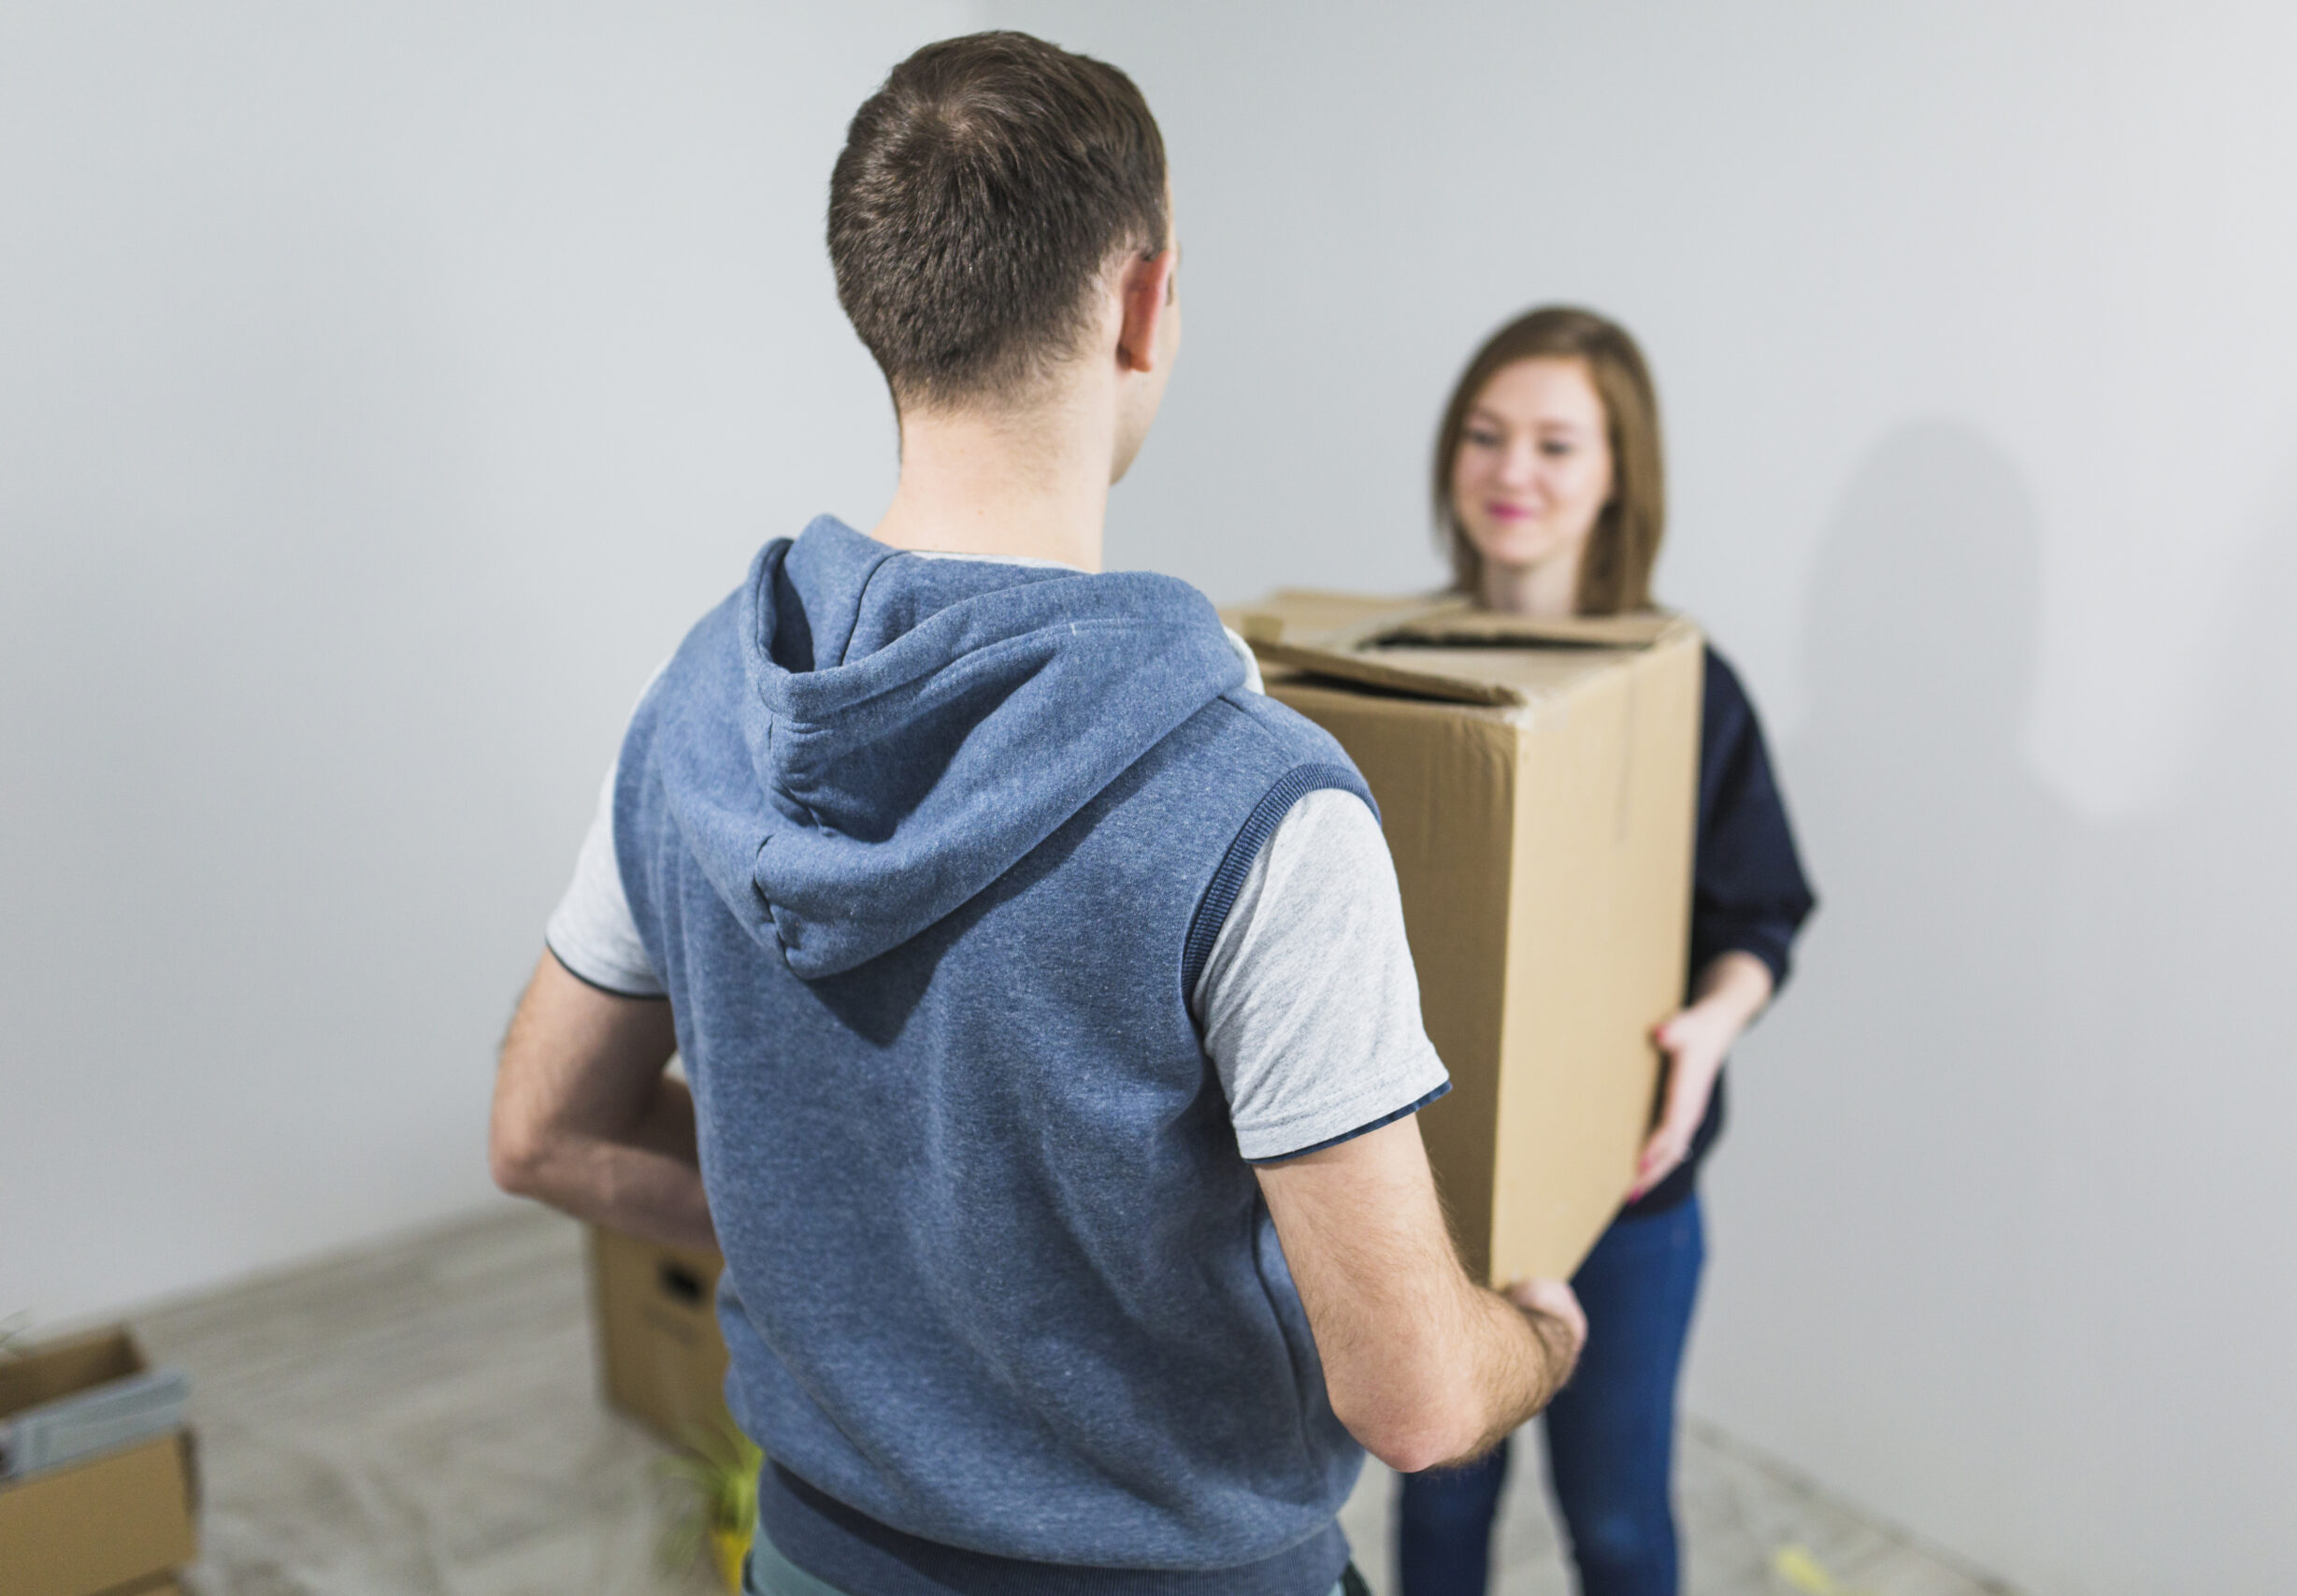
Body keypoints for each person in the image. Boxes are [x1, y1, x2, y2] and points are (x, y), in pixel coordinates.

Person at [487, 35, 1589, 1596]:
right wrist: (1534, 1335)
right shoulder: (1256, 809)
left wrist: (854, 1268)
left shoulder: (694, 713)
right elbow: (1412, 1396)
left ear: (884, 312)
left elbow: (543, 1132)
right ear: (1145, 302)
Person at [1395, 309, 1816, 1596]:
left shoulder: (1690, 688)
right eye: (1485, 435)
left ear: (1618, 472)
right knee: (1440, 1512)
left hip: (1630, 1191)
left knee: (1619, 1522)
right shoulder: (1392, 677)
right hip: (1437, 1190)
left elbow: (1761, 914)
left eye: (1556, 445)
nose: (1511, 471)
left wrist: (1713, 1020)